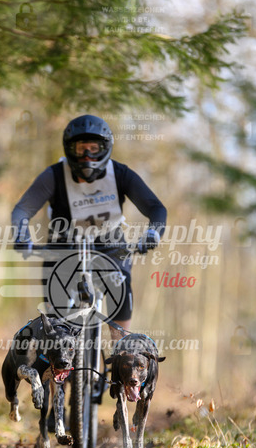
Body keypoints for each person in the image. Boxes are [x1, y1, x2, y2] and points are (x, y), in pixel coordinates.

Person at [12, 114, 167, 339]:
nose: (87, 156)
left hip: (110, 244)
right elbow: (22, 210)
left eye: (94, 149)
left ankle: (121, 347)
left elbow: (156, 208)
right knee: (54, 318)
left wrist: (153, 233)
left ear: (105, 148)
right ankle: (57, 351)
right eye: (80, 149)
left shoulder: (120, 174)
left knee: (121, 286)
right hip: (64, 245)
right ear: (69, 149)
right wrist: (22, 235)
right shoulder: (54, 175)